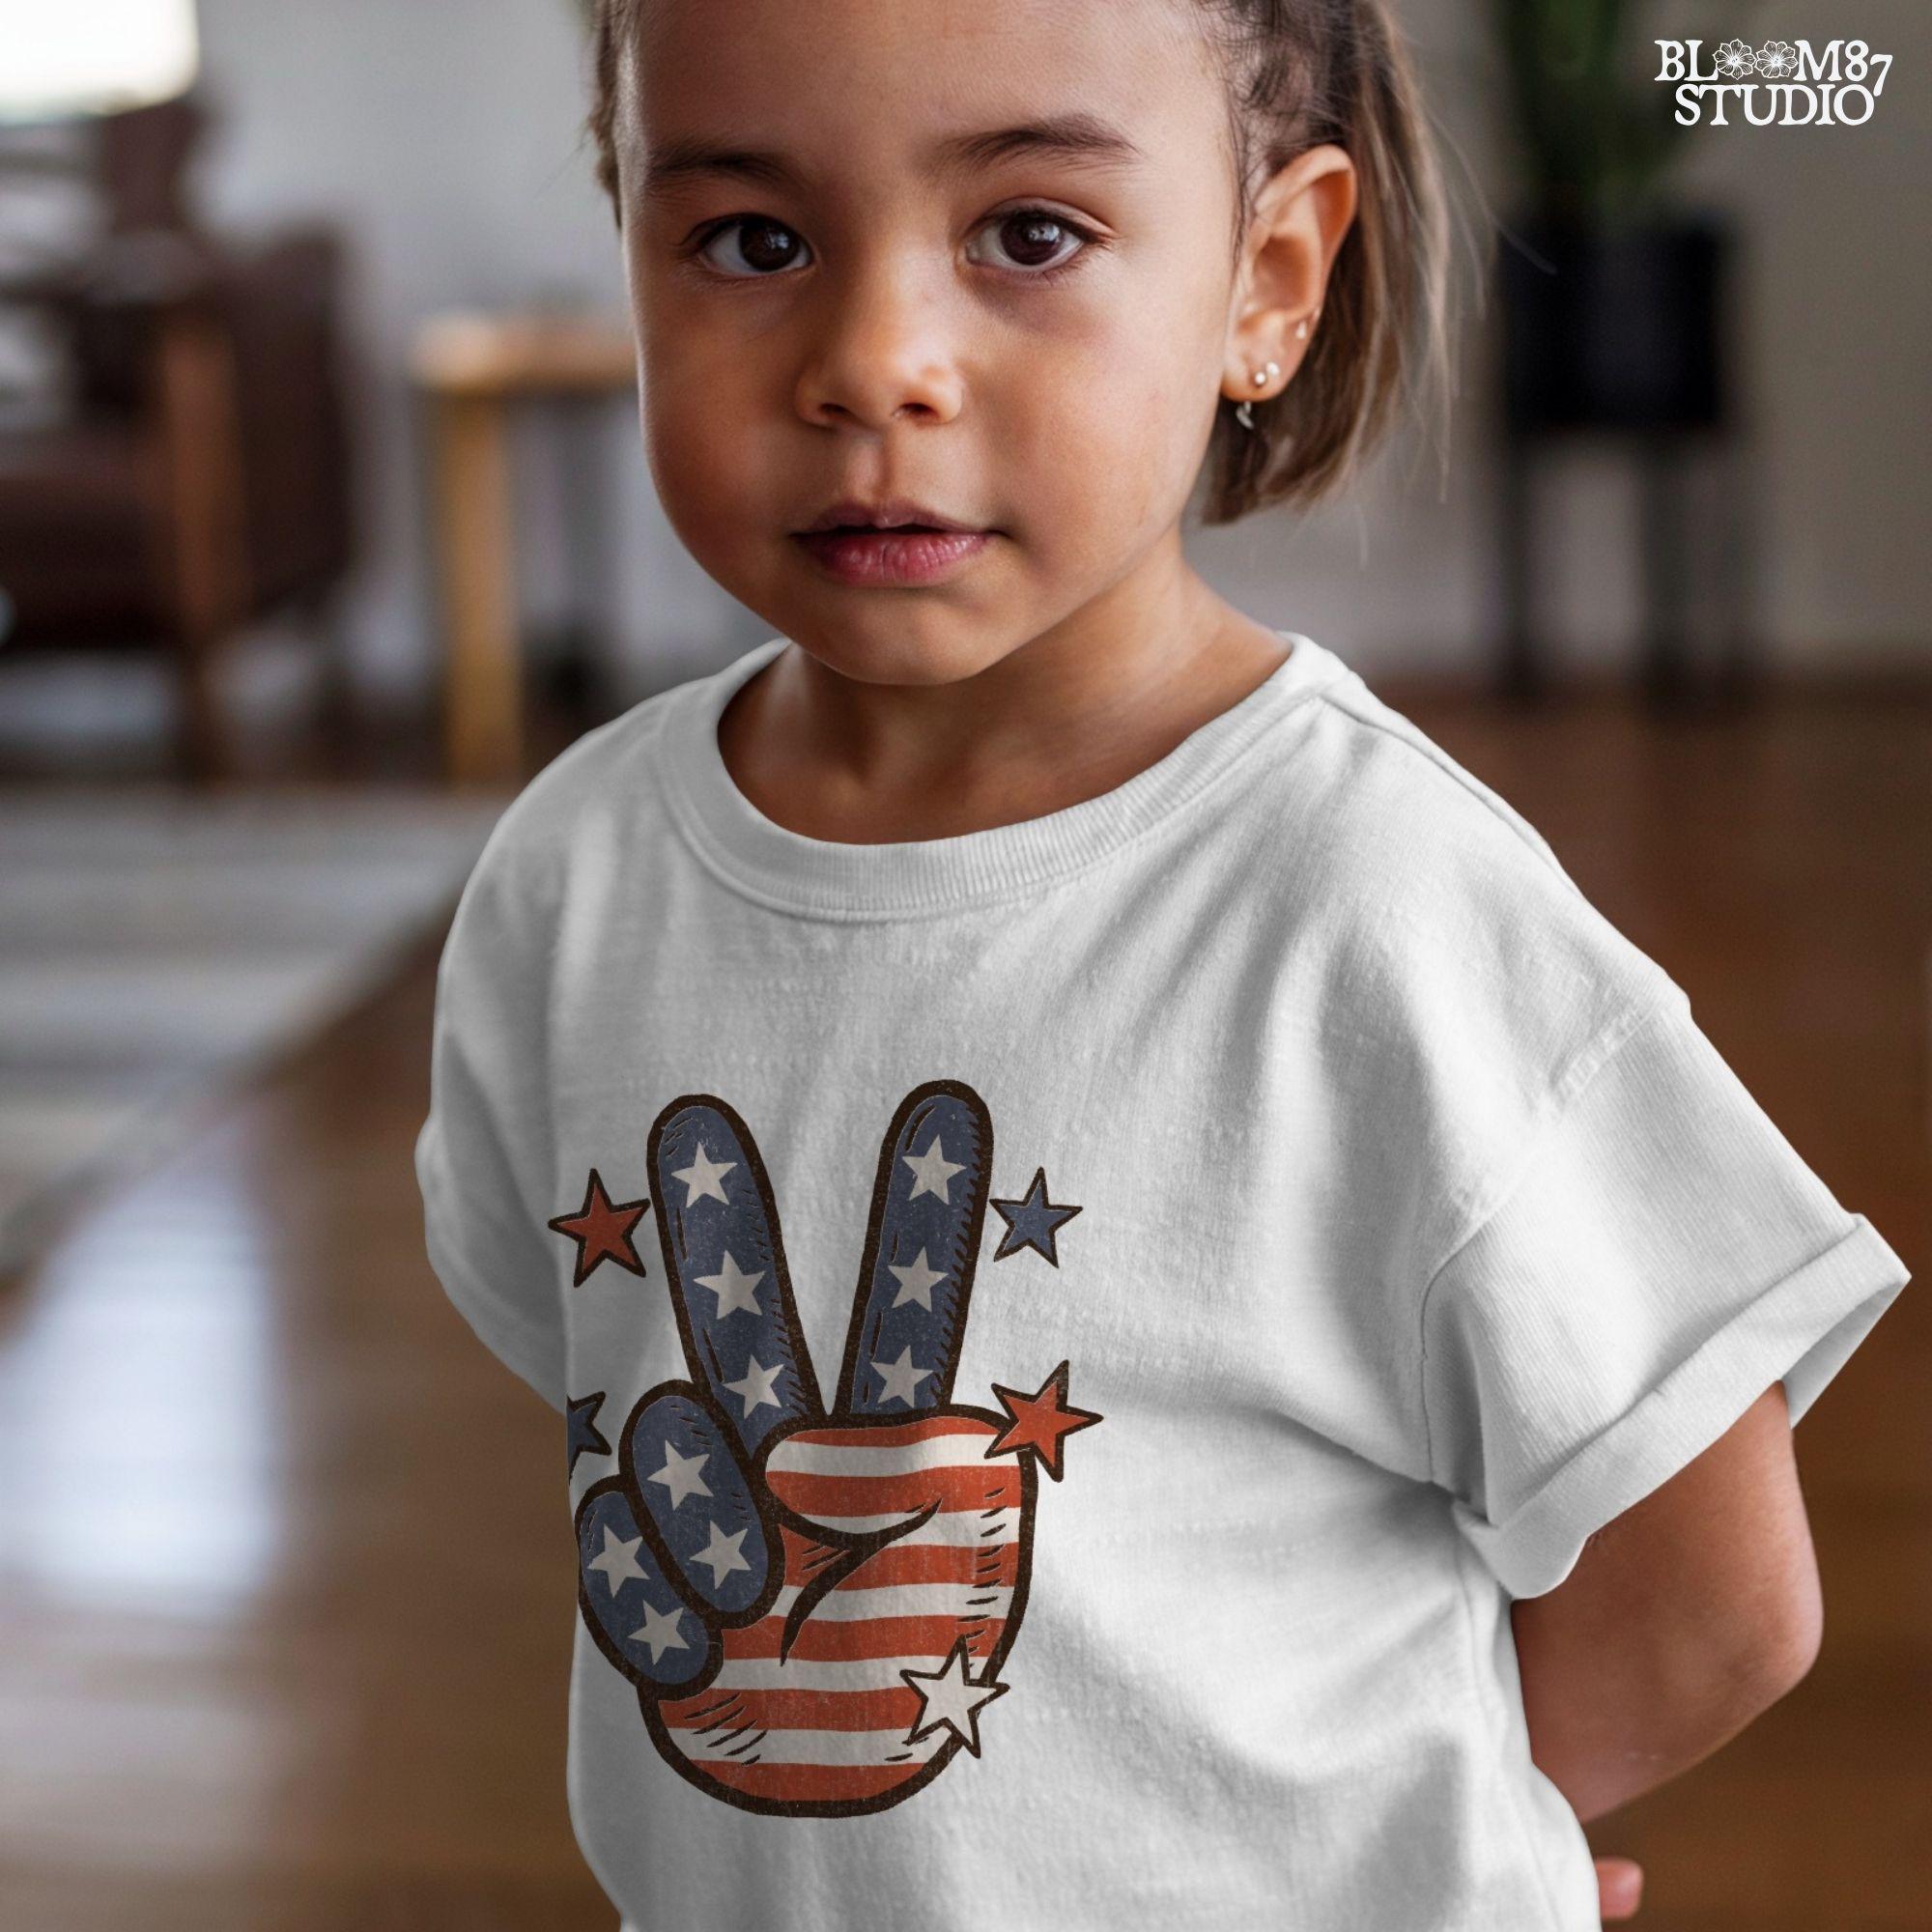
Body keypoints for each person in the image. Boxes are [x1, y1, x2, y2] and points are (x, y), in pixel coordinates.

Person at [413, 1, 1912, 1926]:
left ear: (1266, 283)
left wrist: (1402, 1845)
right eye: (750, 241)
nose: (873, 362)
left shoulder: (1375, 898)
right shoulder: (567, 882)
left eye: (1027, 234)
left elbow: (1711, 1591)